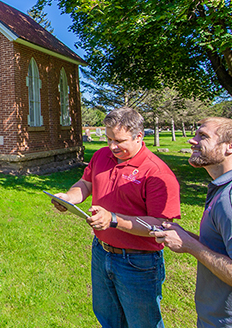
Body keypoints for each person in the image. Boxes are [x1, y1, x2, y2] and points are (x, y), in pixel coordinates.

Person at [54, 107, 181, 328]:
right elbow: (86, 183)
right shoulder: (102, 155)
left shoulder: (156, 172)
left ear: (139, 136)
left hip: (138, 261)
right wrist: (70, 197)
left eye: (119, 141)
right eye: (109, 138)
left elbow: (162, 226)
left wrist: (114, 219)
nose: (112, 146)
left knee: (143, 324)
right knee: (109, 319)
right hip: (101, 251)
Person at [152, 118, 232, 327]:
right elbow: (228, 251)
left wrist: (190, 245)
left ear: (231, 147)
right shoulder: (228, 191)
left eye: (203, 136)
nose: (192, 141)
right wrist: (187, 237)